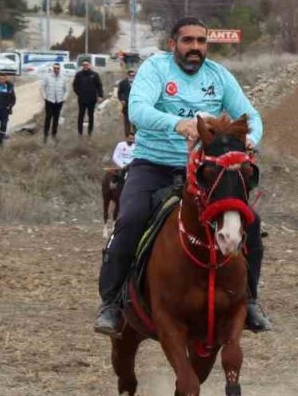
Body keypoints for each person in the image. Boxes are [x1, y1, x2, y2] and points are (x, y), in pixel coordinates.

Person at [94, 17, 271, 336]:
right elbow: (137, 110)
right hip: (153, 165)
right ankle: (112, 302)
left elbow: (252, 117)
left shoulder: (219, 76)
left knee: (252, 222)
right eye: (188, 41)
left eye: (201, 42)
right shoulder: (155, 69)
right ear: (173, 43)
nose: (196, 48)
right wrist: (178, 123)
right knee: (131, 217)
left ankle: (251, 301)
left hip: (205, 172)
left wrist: (249, 139)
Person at [72, 60, 104, 137]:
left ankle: (90, 132)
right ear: (82, 66)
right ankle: (80, 133)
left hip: (92, 99)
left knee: (91, 116)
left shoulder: (94, 75)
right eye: (84, 65)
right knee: (81, 116)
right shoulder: (79, 74)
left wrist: (100, 95)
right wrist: (79, 93)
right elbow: (75, 85)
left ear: (89, 65)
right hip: (82, 99)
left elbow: (99, 85)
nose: (85, 66)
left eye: (87, 65)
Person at [40, 62, 69, 143]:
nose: (56, 70)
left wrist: (64, 98)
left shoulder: (63, 78)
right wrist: (44, 97)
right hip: (49, 100)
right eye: (55, 68)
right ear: (53, 69)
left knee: (56, 119)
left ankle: (54, 135)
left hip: (59, 101)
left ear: (60, 69)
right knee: (48, 118)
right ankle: (45, 135)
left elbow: (67, 90)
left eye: (58, 68)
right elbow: (42, 87)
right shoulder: (47, 77)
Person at [116, 69, 136, 137]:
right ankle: (127, 136)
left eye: (133, 75)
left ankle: (136, 137)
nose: (132, 77)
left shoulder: (137, 83)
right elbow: (119, 93)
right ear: (127, 75)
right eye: (130, 75)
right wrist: (121, 100)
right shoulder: (123, 83)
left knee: (135, 122)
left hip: (135, 105)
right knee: (127, 122)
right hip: (126, 105)